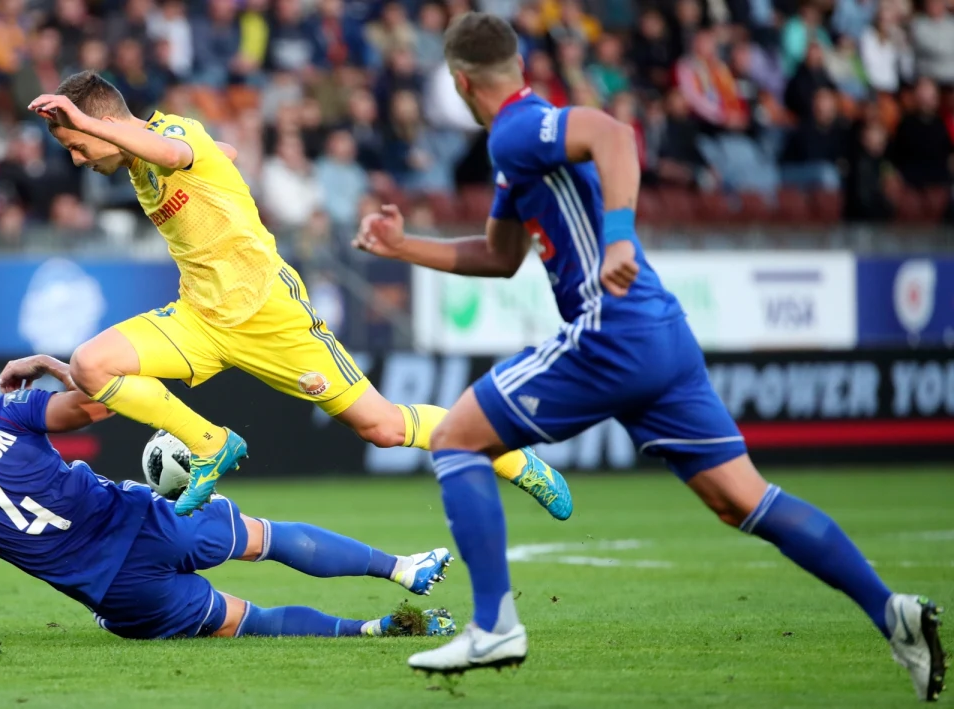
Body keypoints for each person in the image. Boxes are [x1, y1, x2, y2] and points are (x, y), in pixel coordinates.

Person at [353, 13, 947, 701]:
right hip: (661, 335)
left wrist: (621, 239)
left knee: (455, 437)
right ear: (515, 64)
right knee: (741, 499)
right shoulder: (519, 144)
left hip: (612, 331)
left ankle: (493, 624)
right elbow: (500, 254)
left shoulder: (518, 129)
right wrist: (404, 247)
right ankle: (891, 611)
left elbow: (613, 133)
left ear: (459, 82)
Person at [25, 72, 572, 520]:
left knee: (380, 426)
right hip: (199, 318)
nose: (76, 158)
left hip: (268, 310)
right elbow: (211, 153)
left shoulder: (172, 135)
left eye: (76, 144)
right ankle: (212, 444)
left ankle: (510, 458)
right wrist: (219, 156)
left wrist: (100, 125)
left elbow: (175, 153)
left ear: (107, 123)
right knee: (92, 364)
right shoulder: (153, 153)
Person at [0, 357, 458, 648]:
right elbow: (100, 401)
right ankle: (403, 570)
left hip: (118, 591)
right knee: (266, 537)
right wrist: (48, 363)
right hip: (148, 521)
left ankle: (375, 630)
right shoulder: (9, 412)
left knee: (251, 621)